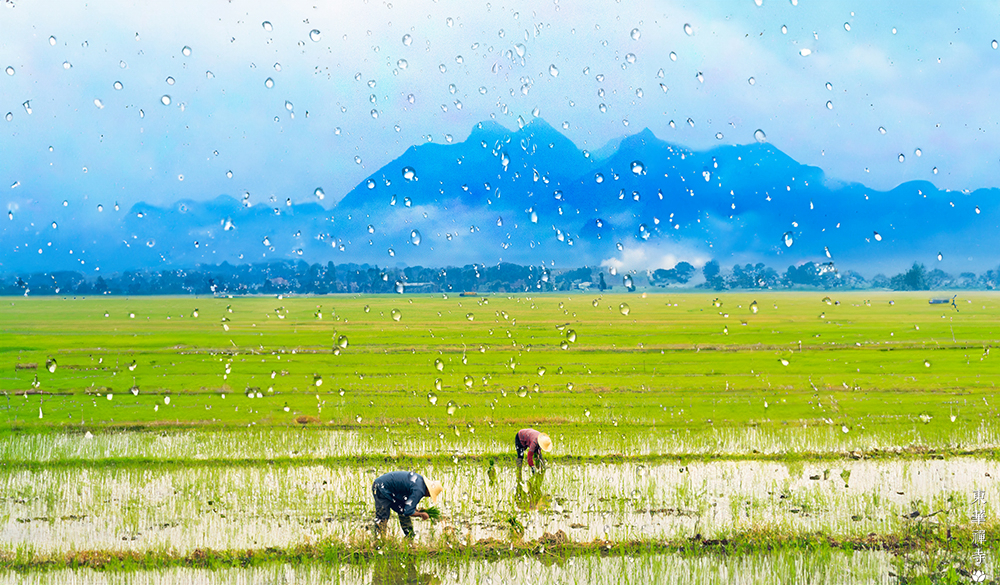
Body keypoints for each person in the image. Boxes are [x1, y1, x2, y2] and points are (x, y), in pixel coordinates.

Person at [371, 470, 443, 539]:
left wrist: (417, 510)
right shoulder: (419, 490)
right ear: (428, 490)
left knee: (402, 510)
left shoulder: (420, 482)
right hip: (381, 487)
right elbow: (408, 511)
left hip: (390, 489)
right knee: (382, 516)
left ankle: (409, 535)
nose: (428, 496)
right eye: (430, 495)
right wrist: (421, 514)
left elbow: (407, 505)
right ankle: (379, 539)